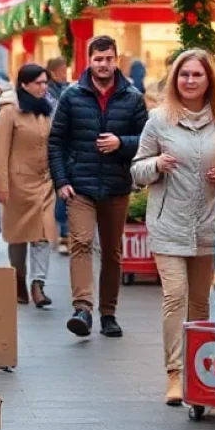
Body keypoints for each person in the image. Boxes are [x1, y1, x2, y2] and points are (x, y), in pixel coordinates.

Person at [131, 49, 215, 407]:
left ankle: (194, 370)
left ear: (209, 81)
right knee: (175, 295)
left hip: (208, 224)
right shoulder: (158, 120)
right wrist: (156, 163)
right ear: (175, 79)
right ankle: (173, 373)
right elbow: (136, 169)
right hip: (168, 225)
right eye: (184, 75)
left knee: (201, 301)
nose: (189, 81)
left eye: (196, 75)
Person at [49, 34, 148, 338]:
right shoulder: (72, 96)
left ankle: (108, 313)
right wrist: (62, 181)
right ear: (89, 61)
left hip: (117, 185)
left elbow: (148, 141)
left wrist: (122, 143)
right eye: (98, 59)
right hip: (80, 186)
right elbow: (56, 141)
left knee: (112, 251)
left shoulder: (131, 97)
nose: (103, 65)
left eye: (108, 59)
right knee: (80, 241)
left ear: (116, 60)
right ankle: (83, 308)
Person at [0, 64, 58, 307]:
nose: (44, 87)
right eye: (39, 83)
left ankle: (38, 284)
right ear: (24, 84)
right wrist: (1, 185)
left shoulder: (47, 109)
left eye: (45, 83)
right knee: (18, 236)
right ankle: (18, 279)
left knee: (43, 234)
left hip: (45, 182)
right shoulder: (9, 111)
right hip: (17, 184)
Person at [45, 57, 71, 254]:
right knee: (61, 189)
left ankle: (65, 232)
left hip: (68, 146)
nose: (66, 73)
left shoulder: (68, 89)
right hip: (55, 147)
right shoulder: (50, 94)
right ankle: (63, 233)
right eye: (63, 70)